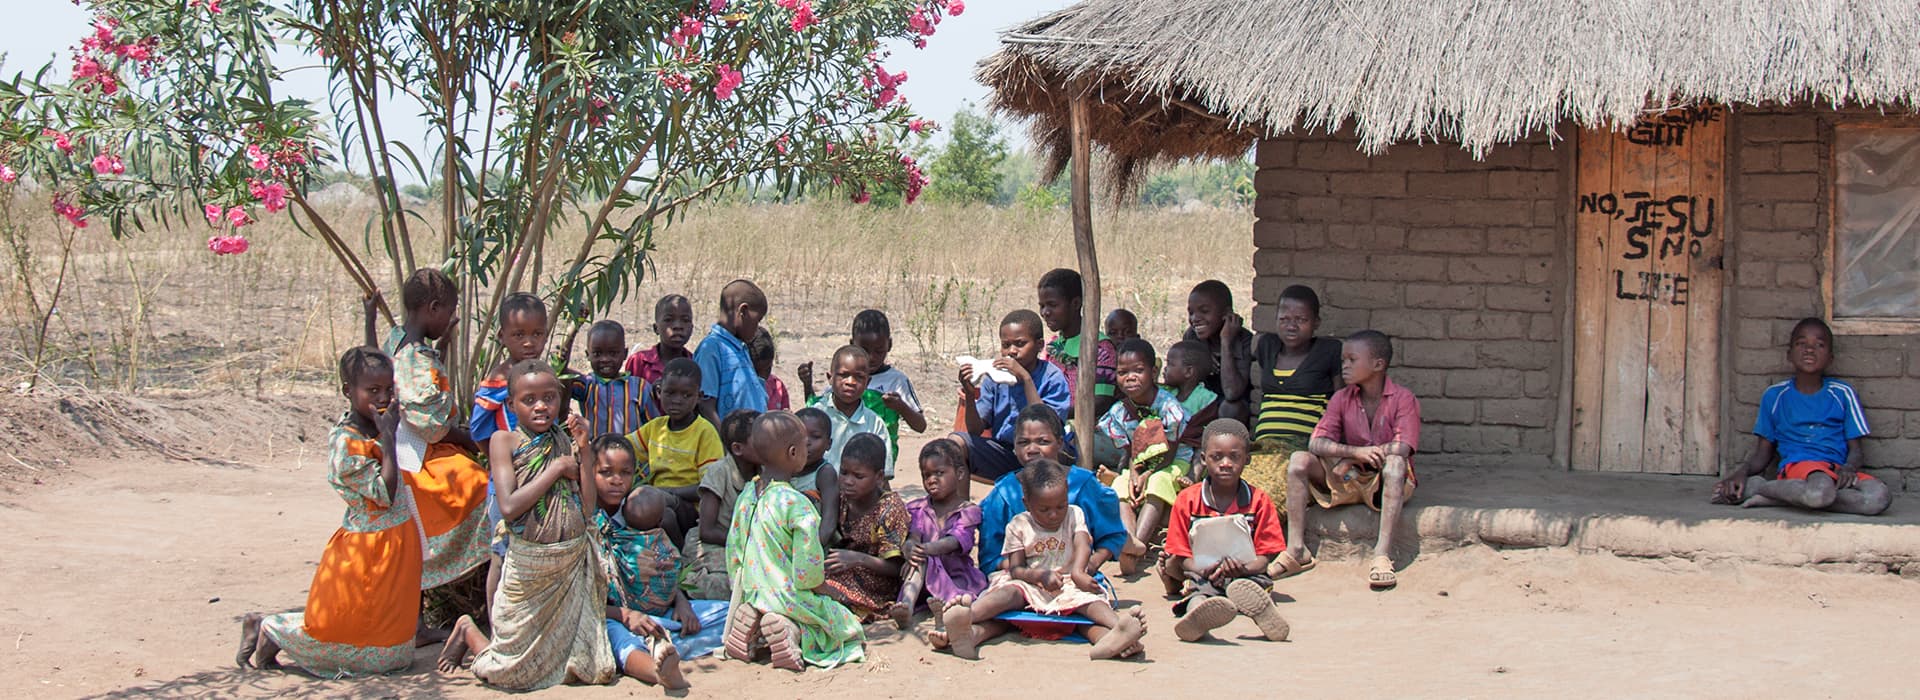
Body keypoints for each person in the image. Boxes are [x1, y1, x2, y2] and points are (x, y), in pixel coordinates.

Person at [237, 348, 420, 676]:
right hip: (367, 548)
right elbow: (385, 493)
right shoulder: (347, 444)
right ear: (348, 392)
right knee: (340, 630)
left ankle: (273, 633)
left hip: (399, 543)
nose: (382, 397)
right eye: (372, 391)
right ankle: (270, 630)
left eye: (388, 389)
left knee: (394, 652)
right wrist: (390, 438)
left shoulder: (379, 425)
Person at [438, 360, 616, 689]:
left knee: (590, 669)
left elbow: (588, 507)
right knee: (509, 674)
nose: (541, 407)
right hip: (529, 567)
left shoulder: (565, 440)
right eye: (529, 399)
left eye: (549, 398)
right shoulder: (503, 441)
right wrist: (556, 470)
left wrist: (584, 449)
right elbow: (508, 506)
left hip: (568, 565)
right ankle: (469, 631)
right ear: (511, 404)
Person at [935, 459, 1147, 661]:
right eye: (1044, 510)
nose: (1054, 515)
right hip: (1028, 584)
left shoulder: (1074, 514)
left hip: (1068, 583)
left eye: (1060, 506)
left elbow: (1083, 543)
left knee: (1088, 606)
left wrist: (1078, 572)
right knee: (1006, 597)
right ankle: (966, 622)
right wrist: (1038, 576)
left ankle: (1116, 632)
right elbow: (1016, 569)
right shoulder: (1018, 525)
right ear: (1027, 504)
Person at [723, 411, 866, 671]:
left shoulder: (746, 495)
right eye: (803, 446)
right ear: (792, 453)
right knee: (844, 624)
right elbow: (807, 568)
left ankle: (753, 617)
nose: (807, 449)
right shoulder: (796, 504)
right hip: (786, 594)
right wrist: (825, 590)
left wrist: (740, 586)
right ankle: (789, 629)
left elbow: (735, 546)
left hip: (751, 591)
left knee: (770, 605)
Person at [1280, 330, 1420, 589]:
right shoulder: (1341, 398)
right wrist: (1355, 454)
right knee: (1299, 460)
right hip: (1348, 476)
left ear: (1378, 365)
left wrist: (1355, 457)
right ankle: (1297, 549)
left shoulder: (1403, 399)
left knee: (1396, 465)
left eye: (1351, 360)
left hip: (1381, 480)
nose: (1344, 365)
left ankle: (1382, 554)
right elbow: (1316, 442)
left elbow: (1403, 447)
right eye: (1343, 360)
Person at [589, 436, 728, 690]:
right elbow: (579, 599)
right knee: (618, 640)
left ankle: (664, 643)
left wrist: (682, 602)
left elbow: (663, 566)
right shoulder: (585, 522)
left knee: (725, 613)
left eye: (625, 472)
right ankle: (658, 671)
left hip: (655, 610)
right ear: (590, 472)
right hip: (610, 615)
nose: (616, 480)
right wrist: (625, 615)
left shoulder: (637, 511)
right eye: (605, 472)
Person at [1712, 318, 1890, 515]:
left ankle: (1775, 495)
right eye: (1801, 343)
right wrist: (1741, 473)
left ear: (1830, 358)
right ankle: (1781, 490)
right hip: (1799, 468)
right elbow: (1763, 453)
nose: (1809, 350)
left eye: (1819, 345)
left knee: (1878, 498)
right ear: (1789, 354)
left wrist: (1848, 467)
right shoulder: (1775, 396)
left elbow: (1856, 450)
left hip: (1836, 471)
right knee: (1820, 489)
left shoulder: (1843, 393)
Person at [382, 269, 491, 591]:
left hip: (411, 447)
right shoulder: (416, 360)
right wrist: (474, 442)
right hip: (415, 455)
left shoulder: (398, 340)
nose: (451, 317)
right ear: (432, 308)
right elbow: (433, 427)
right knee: (480, 487)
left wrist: (441, 348)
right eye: (450, 311)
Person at [1161, 420, 1290, 643]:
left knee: (1251, 587)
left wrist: (1243, 570)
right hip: (1203, 574)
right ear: (1203, 458)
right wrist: (1204, 569)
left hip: (1247, 574)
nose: (1226, 463)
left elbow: (1265, 558)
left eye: (1235, 457)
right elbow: (1182, 558)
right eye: (1217, 457)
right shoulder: (1187, 500)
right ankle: (1197, 615)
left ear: (1247, 459)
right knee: (1198, 592)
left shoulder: (1259, 501)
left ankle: (1262, 613)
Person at [977, 404, 1128, 576]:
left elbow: (1111, 535)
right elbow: (990, 557)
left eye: (1043, 442)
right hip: (1018, 581)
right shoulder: (1004, 493)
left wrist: (1090, 564)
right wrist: (1030, 571)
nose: (1032, 449)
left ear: (1060, 443)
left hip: (1075, 577)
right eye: (1023, 442)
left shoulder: (1083, 484)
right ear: (1014, 446)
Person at [1098, 339, 1194, 575]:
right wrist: (1133, 474)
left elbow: (1170, 450)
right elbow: (1130, 450)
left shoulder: (1167, 406)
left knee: (1158, 483)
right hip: (1140, 462)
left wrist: (1147, 474)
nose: (1130, 377)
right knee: (1121, 485)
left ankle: (1137, 545)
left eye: (1138, 371)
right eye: (1122, 372)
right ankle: (1128, 540)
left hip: (1173, 460)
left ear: (1153, 372)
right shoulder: (1119, 412)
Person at [1246, 285, 1342, 510]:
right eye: (1284, 318)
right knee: (1233, 483)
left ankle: (1259, 538)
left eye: (1301, 319)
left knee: (1270, 491)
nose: (1291, 325)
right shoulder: (1267, 346)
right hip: (1262, 446)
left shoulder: (1328, 351)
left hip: (1300, 448)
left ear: (1316, 323)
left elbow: (1341, 402)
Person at [947, 309, 1072, 480]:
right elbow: (975, 429)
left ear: (1039, 345)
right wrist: (969, 395)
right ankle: (961, 505)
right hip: (1006, 453)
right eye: (1006, 345)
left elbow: (1047, 424)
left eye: (1020, 344)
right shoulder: (995, 377)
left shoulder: (1052, 377)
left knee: (1044, 448)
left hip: (1042, 454)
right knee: (955, 443)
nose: (1012, 351)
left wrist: (1025, 378)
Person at [890, 440, 987, 629]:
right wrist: (909, 548)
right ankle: (906, 607)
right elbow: (913, 536)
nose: (932, 479)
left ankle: (946, 611)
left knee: (959, 596)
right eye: (926, 475)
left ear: (959, 474)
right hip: (922, 578)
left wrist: (925, 549)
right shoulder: (917, 508)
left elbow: (954, 541)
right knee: (920, 559)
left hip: (955, 576)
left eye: (939, 473)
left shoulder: (968, 511)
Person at [813, 309, 926, 467]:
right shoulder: (842, 378)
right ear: (852, 344)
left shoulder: (896, 381)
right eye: (865, 350)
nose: (871, 357)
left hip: (876, 464)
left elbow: (920, 426)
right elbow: (819, 412)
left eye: (879, 351)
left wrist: (900, 406)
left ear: (890, 345)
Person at [821, 434, 910, 623]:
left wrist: (858, 559)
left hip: (875, 583)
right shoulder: (842, 497)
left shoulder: (889, 509)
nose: (848, 481)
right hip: (843, 568)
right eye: (844, 473)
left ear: (879, 477)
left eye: (858, 476)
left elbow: (896, 567)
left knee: (825, 591)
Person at [626, 357, 723, 526]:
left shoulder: (704, 432)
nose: (677, 400)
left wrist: (668, 492)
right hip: (657, 499)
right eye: (670, 393)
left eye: (686, 395)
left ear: (699, 397)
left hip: (691, 508)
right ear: (659, 392)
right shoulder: (656, 427)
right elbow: (626, 449)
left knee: (664, 516)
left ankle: (679, 552)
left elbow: (709, 487)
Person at [686, 409, 758, 601]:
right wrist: (750, 544)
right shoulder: (720, 472)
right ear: (737, 449)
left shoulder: (765, 471)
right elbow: (707, 530)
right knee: (725, 584)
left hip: (747, 544)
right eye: (760, 439)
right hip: (716, 542)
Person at [471, 292, 551, 445]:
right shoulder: (500, 381)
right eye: (519, 335)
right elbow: (478, 429)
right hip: (514, 461)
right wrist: (500, 460)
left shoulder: (544, 373)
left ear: (546, 335)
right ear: (502, 336)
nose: (529, 343)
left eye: (537, 334)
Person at [693, 280, 769, 425]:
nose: (757, 327)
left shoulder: (740, 348)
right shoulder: (711, 349)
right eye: (757, 320)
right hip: (729, 445)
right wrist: (723, 441)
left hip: (751, 443)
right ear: (743, 311)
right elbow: (706, 406)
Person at [811, 345, 894, 476]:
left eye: (859, 377)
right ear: (830, 378)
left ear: (868, 382)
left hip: (859, 494)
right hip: (816, 493)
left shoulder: (874, 423)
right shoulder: (815, 416)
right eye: (843, 375)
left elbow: (882, 476)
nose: (851, 382)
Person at [1182, 279, 1255, 424]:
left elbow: (1232, 393)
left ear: (1227, 313)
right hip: (1202, 403)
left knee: (1231, 408)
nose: (1195, 318)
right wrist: (1203, 361)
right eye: (1191, 312)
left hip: (1228, 409)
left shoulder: (1244, 341)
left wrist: (1226, 341)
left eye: (1204, 311)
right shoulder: (1192, 337)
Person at [562, 320, 649, 438]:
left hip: (632, 454)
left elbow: (653, 426)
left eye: (613, 353)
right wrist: (569, 338)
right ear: (588, 355)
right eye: (597, 354)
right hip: (595, 453)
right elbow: (563, 375)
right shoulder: (587, 385)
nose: (605, 359)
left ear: (625, 353)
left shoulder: (640, 387)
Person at [793, 407, 842, 546]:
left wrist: (810, 552)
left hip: (814, 550)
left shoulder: (824, 473)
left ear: (829, 444)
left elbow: (829, 523)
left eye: (815, 436)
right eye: (800, 436)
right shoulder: (783, 470)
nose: (806, 442)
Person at [1163, 340, 1223, 451]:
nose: (1165, 368)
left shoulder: (1205, 397)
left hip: (1193, 446)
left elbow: (1205, 427)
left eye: (1170, 364)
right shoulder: (1168, 394)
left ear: (1188, 371)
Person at [624, 294, 694, 385]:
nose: (678, 326)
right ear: (656, 328)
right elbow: (626, 394)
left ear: (692, 328)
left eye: (685, 320)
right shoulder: (639, 362)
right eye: (669, 320)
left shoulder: (695, 363)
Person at [750, 328, 791, 411]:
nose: (763, 377)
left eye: (768, 369)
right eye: (756, 372)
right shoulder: (742, 389)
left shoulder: (777, 386)